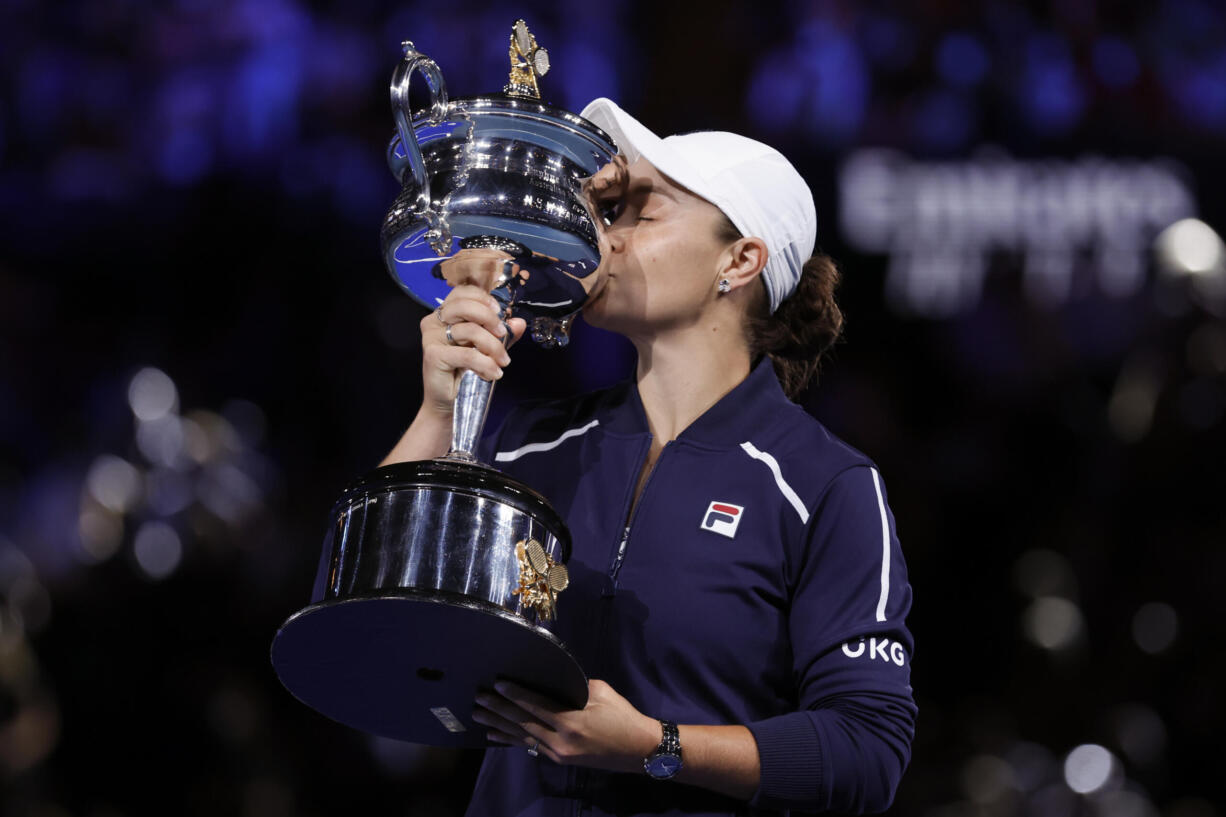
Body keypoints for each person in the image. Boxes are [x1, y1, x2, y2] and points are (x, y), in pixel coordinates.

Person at [381, 98, 917, 816]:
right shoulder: (534, 440)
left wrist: (653, 745)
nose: (604, 239)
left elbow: (867, 750)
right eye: (607, 215)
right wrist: (440, 409)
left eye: (641, 212)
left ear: (740, 259)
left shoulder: (823, 486)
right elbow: (372, 616)